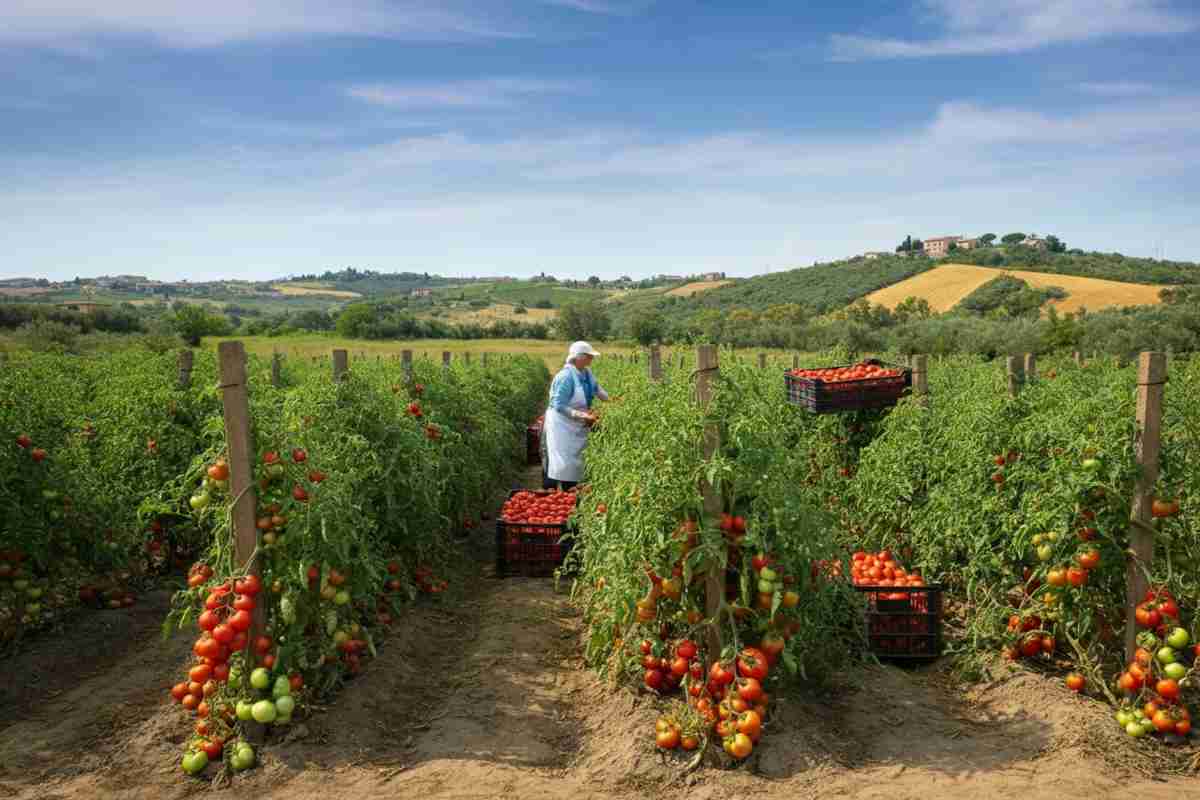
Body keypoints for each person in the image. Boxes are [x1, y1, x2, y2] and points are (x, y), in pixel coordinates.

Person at [543, 341, 608, 491]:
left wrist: (612, 400)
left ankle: (571, 490)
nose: (591, 359)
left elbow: (598, 390)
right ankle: (559, 490)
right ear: (579, 357)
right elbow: (558, 404)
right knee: (563, 459)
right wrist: (582, 415)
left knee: (576, 458)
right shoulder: (565, 377)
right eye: (589, 356)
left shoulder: (586, 373)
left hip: (577, 422)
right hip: (562, 424)